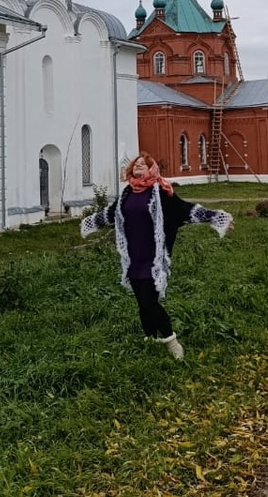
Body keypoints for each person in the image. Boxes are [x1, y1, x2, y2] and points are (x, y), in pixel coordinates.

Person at [80, 152, 234, 360]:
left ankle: (171, 342)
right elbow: (111, 213)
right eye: (136, 164)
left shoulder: (160, 192)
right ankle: (151, 338)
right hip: (133, 256)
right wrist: (90, 223)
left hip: (153, 258)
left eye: (143, 164)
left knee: (149, 302)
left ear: (151, 169)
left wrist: (217, 217)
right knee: (141, 301)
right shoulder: (127, 193)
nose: (138, 166)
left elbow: (185, 210)